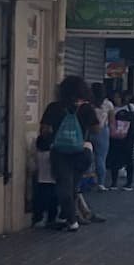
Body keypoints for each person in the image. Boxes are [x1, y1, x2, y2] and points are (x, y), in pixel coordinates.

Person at [39, 77, 100, 232]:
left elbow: (44, 130)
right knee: (73, 186)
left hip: (60, 152)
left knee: (64, 186)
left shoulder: (54, 107)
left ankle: (71, 220)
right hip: (82, 152)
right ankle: (68, 217)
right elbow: (96, 129)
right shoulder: (86, 108)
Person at [106, 89, 134, 190]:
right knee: (114, 159)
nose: (116, 99)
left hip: (128, 137)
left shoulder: (130, 107)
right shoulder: (113, 108)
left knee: (128, 159)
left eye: (118, 97)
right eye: (114, 97)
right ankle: (114, 182)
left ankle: (129, 183)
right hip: (115, 137)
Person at [89, 82, 113, 191]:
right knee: (101, 157)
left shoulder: (89, 104)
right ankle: (101, 183)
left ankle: (87, 180)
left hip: (88, 131)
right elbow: (111, 120)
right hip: (103, 131)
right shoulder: (108, 104)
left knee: (88, 155)